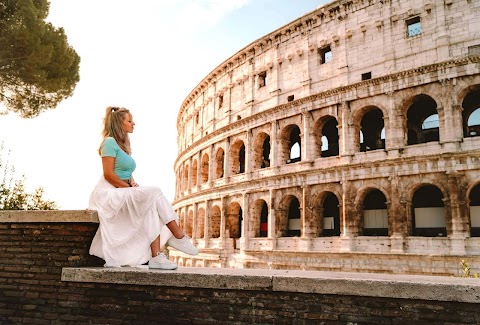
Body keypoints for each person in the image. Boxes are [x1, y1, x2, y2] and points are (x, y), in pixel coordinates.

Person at [88, 106, 198, 270]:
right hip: (107, 192)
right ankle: (178, 236)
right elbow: (109, 175)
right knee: (155, 191)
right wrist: (129, 188)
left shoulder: (122, 146)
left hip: (120, 189)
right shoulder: (109, 142)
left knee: (151, 205)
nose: (134, 123)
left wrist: (132, 183)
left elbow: (123, 172)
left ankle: (156, 257)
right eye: (130, 120)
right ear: (120, 123)